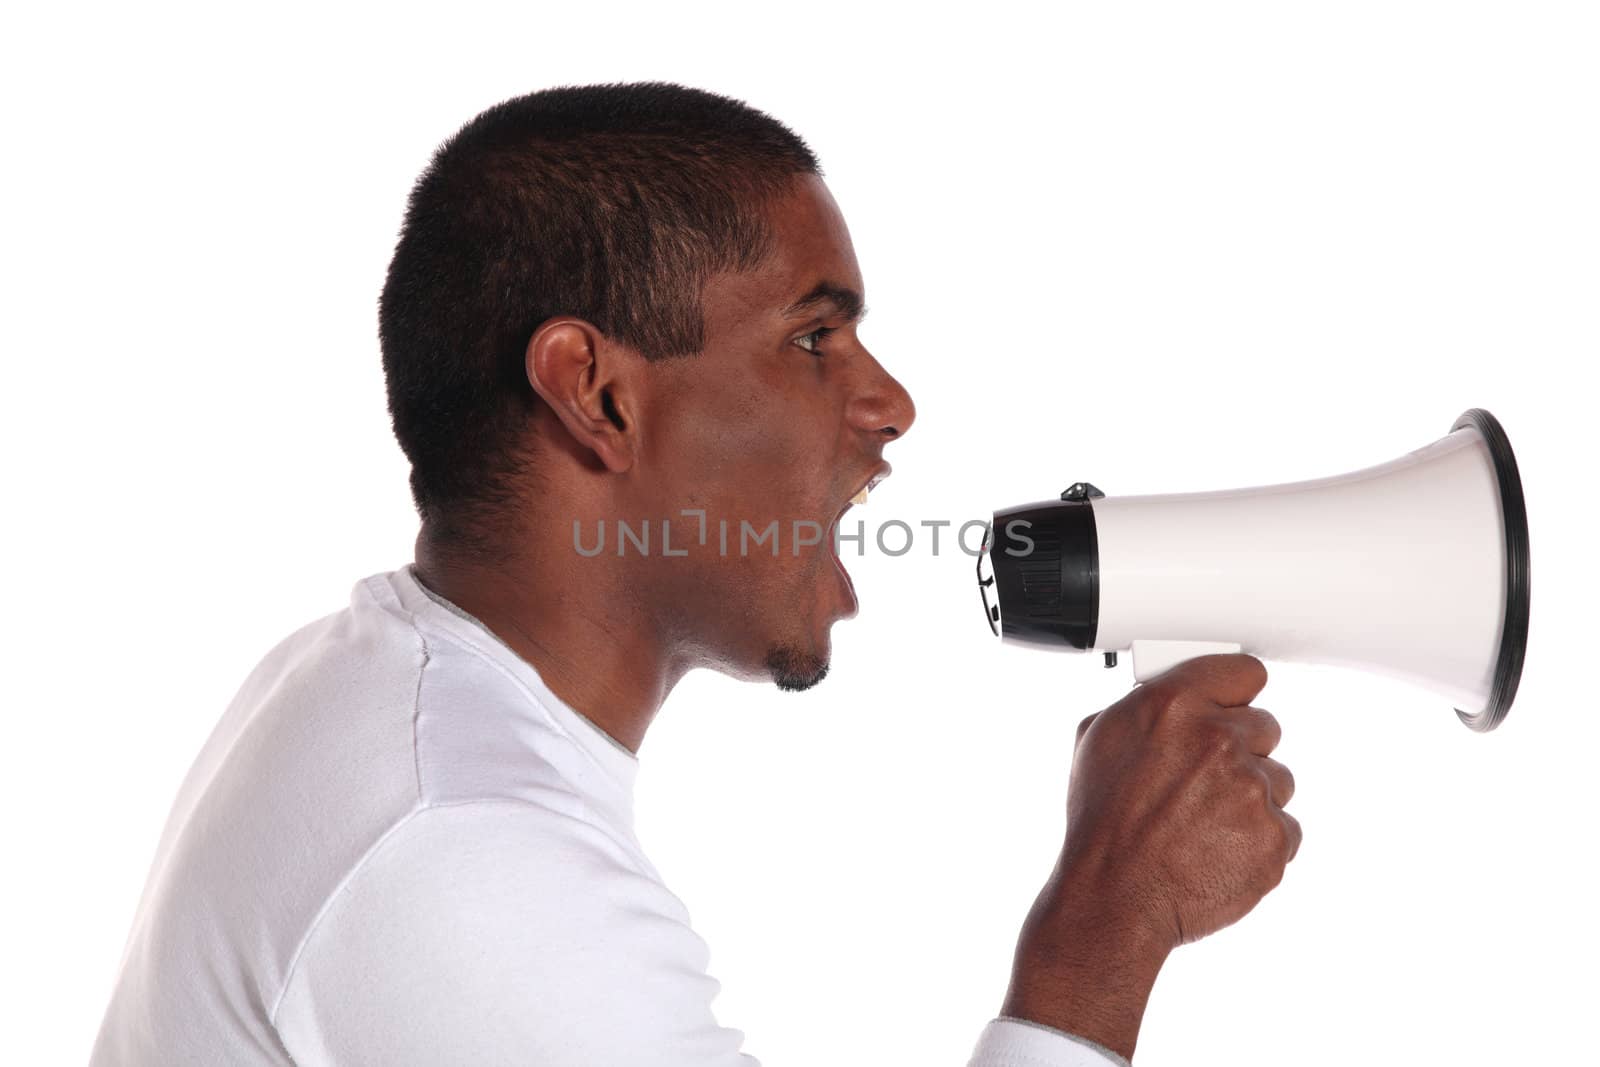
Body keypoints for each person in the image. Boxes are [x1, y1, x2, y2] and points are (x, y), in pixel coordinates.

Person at [89, 82, 1300, 1066]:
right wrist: (1105, 925)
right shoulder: (463, 855)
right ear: (598, 392)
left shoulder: (367, 687)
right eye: (813, 337)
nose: (890, 403)